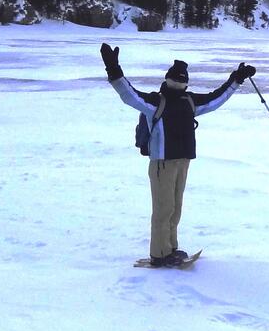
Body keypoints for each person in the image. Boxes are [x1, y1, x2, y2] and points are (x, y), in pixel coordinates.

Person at [99, 43, 256, 267]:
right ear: (168, 79)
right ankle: (159, 254)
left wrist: (237, 79)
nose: (180, 82)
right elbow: (129, 95)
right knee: (163, 209)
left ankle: (170, 247)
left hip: (183, 161)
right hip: (162, 162)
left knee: (175, 208)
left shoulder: (189, 101)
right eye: (177, 79)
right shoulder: (156, 102)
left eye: (182, 79)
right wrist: (114, 70)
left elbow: (216, 99)